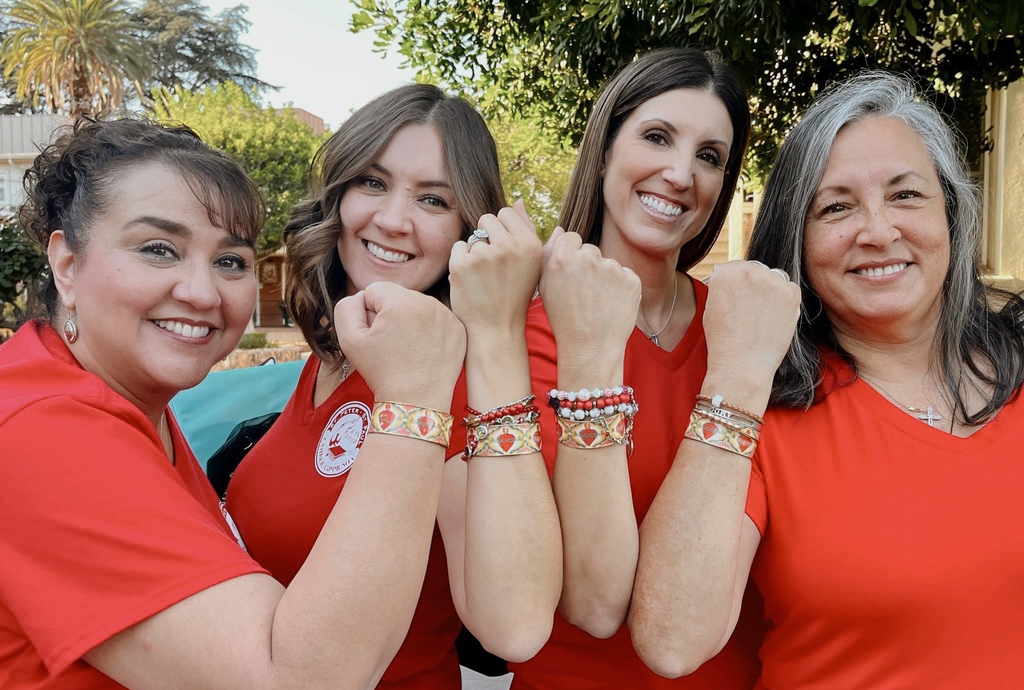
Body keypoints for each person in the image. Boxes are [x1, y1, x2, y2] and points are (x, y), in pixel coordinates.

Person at [0, 118, 480, 689]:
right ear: (67, 265)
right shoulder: (46, 428)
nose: (201, 292)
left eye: (229, 261)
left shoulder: (129, 402)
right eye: (158, 250)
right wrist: (414, 397)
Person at [630, 71, 1024, 688]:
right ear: (797, 242)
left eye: (906, 195)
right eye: (836, 207)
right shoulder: (760, 417)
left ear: (952, 212)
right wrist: (735, 375)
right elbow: (670, 640)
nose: (878, 231)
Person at [224, 83, 562, 688]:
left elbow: (515, 627)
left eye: (432, 199)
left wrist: (499, 330)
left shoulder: (452, 380)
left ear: (469, 229)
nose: (391, 220)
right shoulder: (340, 349)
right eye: (372, 183)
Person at [511, 47, 763, 689]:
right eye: (656, 137)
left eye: (710, 156)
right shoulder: (519, 335)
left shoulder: (744, 332)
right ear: (603, 151)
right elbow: (594, 604)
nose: (680, 174)